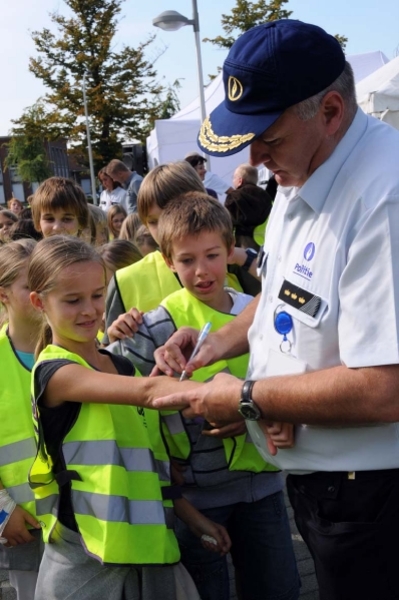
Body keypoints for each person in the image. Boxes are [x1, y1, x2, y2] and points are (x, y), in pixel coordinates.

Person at [150, 19, 399, 600]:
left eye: (268, 136)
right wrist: (218, 340)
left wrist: (246, 397)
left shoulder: (384, 197)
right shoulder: (304, 169)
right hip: (326, 483)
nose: (255, 157)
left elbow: (385, 387)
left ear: (330, 111)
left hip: (373, 495)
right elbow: (286, 295)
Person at [108, 193, 299, 600]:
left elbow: (291, 383)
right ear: (167, 262)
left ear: (230, 251)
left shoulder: (259, 313)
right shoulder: (153, 327)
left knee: (278, 589)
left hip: (265, 488)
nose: (201, 271)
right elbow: (122, 395)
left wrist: (270, 413)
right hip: (195, 500)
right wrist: (112, 334)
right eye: (187, 260)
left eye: (212, 255)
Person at [28, 235, 230, 600]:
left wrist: (193, 518)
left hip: (148, 548)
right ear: (38, 302)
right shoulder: (55, 373)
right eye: (72, 300)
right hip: (86, 556)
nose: (90, 310)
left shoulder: (122, 366)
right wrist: (227, 391)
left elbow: (150, 460)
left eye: (96, 295)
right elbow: (150, 394)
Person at [103, 161, 249, 344]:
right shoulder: (124, 281)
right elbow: (109, 356)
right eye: (155, 221)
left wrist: (247, 259)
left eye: (176, 214)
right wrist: (117, 335)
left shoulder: (236, 264)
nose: (169, 228)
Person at [0, 240, 43, 600]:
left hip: (84, 521)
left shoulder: (81, 345)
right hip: (24, 523)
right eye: (30, 285)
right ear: (3, 296)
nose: (41, 294)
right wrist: (3, 512)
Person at [225, 163, 273, 250]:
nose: (233, 180)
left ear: (240, 181)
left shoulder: (234, 197)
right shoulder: (266, 196)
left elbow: (227, 224)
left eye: (234, 177)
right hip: (264, 244)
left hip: (241, 247)